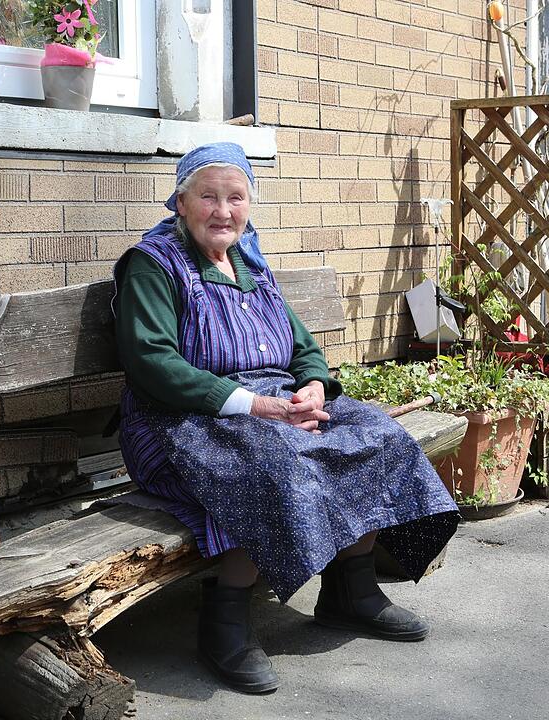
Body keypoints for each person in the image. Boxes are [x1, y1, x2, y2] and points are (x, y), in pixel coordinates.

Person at [112, 142, 458, 694]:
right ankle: (224, 627)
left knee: (379, 437)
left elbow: (301, 347)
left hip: (272, 406)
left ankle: (352, 592)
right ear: (180, 201)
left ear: (249, 204)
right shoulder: (154, 265)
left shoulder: (250, 260)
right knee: (275, 464)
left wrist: (314, 386)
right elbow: (151, 363)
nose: (222, 210)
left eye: (236, 197)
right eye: (208, 196)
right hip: (177, 421)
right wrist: (258, 407)